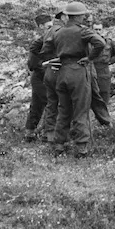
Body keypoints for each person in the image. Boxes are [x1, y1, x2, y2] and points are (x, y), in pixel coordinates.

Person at [41, 1, 105, 158]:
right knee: (81, 109)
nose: (84, 17)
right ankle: (81, 147)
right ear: (78, 16)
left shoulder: (58, 32)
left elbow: (46, 49)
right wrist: (89, 58)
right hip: (78, 71)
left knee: (63, 109)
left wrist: (58, 58)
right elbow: (100, 43)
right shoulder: (83, 31)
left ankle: (59, 144)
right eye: (83, 15)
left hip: (62, 72)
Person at [24, 13, 53, 141]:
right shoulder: (38, 42)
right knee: (50, 103)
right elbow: (32, 64)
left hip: (46, 77)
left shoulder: (51, 39)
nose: (51, 29)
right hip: (40, 77)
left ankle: (30, 133)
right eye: (48, 26)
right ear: (41, 26)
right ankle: (46, 133)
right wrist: (45, 66)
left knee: (36, 105)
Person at [41, 9, 67, 143]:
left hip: (50, 70)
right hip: (59, 69)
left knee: (51, 103)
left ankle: (48, 133)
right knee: (62, 104)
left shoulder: (51, 30)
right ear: (62, 16)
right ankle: (58, 137)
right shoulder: (60, 31)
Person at [91, 21, 115, 109]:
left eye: (99, 29)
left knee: (104, 94)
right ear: (92, 30)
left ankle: (103, 119)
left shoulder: (108, 42)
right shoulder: (87, 42)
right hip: (91, 70)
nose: (98, 31)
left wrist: (110, 61)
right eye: (95, 29)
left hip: (104, 71)